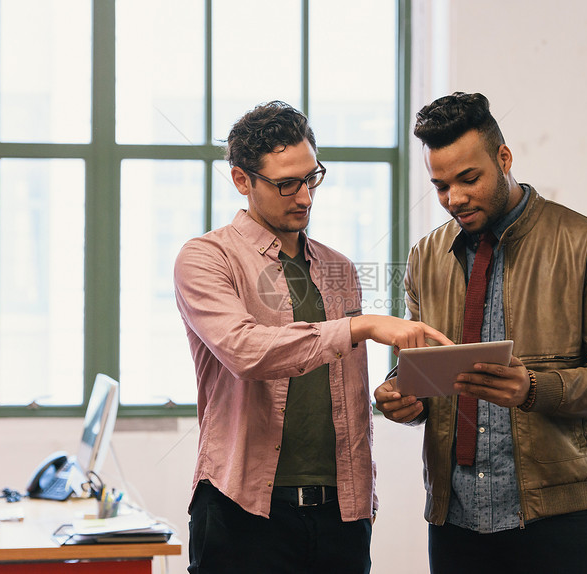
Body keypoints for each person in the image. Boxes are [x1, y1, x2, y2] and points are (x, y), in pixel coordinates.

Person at [174, 100, 451, 574]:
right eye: (285, 184)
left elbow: (345, 385)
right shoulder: (205, 258)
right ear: (242, 181)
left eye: (311, 178)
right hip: (243, 511)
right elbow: (245, 350)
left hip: (341, 513)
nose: (303, 197)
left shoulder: (339, 268)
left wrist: (392, 394)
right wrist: (361, 326)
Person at [374, 92, 587, 574]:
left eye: (468, 179)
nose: (454, 198)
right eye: (439, 186)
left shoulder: (583, 244)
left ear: (504, 158)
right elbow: (422, 366)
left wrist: (533, 388)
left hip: (554, 518)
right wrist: (399, 395)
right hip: (453, 519)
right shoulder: (425, 257)